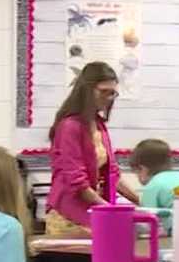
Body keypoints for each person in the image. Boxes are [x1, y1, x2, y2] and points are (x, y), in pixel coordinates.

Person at [45, 61, 139, 236]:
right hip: (69, 217)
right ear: (87, 90)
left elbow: (112, 175)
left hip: (93, 212)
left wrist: (141, 203)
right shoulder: (69, 126)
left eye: (113, 93)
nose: (109, 98)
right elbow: (78, 183)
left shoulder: (98, 125)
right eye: (104, 92)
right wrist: (112, 212)